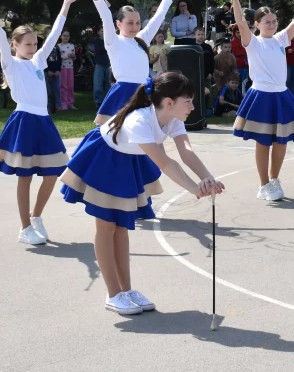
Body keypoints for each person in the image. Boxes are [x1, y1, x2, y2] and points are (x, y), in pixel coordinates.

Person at [60, 72, 224, 315]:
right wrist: (195, 190)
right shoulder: (139, 121)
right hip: (103, 159)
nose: (192, 106)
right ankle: (113, 294)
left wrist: (206, 178)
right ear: (169, 102)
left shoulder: (173, 119)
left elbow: (186, 151)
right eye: (188, 100)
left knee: (122, 227)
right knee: (106, 227)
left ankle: (126, 290)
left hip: (127, 161)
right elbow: (165, 163)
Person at [0, 0, 74, 245]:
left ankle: (36, 217)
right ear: (15, 45)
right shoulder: (10, 64)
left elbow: (54, 34)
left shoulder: (38, 62)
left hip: (43, 122)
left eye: (35, 44)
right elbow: (0, 35)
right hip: (24, 121)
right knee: (25, 177)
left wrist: (64, 6)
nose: (33, 48)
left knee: (52, 174)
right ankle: (24, 228)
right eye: (28, 45)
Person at [228, 0, 294, 202]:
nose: (272, 24)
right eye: (267, 21)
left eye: (274, 21)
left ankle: (274, 178)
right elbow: (240, 21)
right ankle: (263, 185)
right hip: (260, 96)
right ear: (257, 24)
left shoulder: (281, 39)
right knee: (263, 142)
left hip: (281, 95)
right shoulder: (252, 41)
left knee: (281, 141)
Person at [85, 0, 182, 125]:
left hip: (144, 92)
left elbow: (159, 16)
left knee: (144, 134)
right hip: (122, 93)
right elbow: (105, 14)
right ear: (118, 24)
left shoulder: (142, 38)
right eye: (130, 23)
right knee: (111, 134)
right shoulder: (113, 41)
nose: (135, 26)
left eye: (137, 22)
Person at [85, 27, 111, 107]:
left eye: (105, 31)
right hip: (99, 64)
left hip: (109, 64)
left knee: (109, 84)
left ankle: (108, 101)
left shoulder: (110, 40)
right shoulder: (96, 41)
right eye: (102, 31)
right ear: (98, 32)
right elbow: (98, 49)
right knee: (98, 84)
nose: (103, 32)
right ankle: (98, 102)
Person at [44, 27, 62, 114]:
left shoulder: (56, 46)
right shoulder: (43, 46)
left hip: (56, 72)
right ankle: (47, 106)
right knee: (47, 90)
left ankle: (58, 106)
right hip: (47, 72)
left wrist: (58, 70)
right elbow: (42, 60)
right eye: (48, 33)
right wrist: (47, 71)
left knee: (57, 89)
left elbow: (59, 59)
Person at [57, 30, 76, 110]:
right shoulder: (58, 46)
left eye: (67, 36)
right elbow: (58, 57)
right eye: (64, 35)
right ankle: (64, 103)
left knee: (70, 86)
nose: (66, 37)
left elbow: (74, 58)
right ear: (61, 36)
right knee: (63, 86)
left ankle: (70, 103)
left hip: (70, 67)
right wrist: (66, 55)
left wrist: (73, 56)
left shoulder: (71, 45)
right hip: (62, 68)